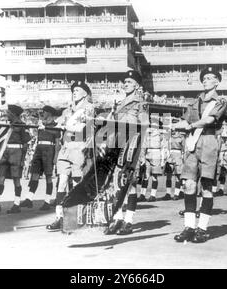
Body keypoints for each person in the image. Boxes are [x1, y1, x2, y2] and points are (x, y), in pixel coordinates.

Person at [172, 66, 227, 243]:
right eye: (204, 78)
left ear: (217, 82)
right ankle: (189, 227)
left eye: (210, 77)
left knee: (206, 187)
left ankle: (202, 228)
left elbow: (210, 120)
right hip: (192, 144)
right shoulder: (195, 101)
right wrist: (178, 124)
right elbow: (185, 119)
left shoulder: (220, 101)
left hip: (209, 142)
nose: (206, 80)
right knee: (188, 185)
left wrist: (191, 126)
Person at [46, 81, 95, 231]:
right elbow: (56, 122)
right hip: (66, 148)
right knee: (61, 182)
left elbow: (80, 127)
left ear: (85, 93)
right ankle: (59, 217)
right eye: (73, 90)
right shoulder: (68, 110)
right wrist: (47, 124)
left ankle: (75, 217)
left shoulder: (88, 108)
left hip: (79, 148)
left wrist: (64, 125)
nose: (75, 92)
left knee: (76, 183)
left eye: (78, 90)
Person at [104, 70, 148, 236]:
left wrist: (141, 151)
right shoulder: (119, 103)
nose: (125, 84)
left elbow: (144, 125)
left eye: (129, 82)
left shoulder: (140, 102)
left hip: (132, 144)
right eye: (125, 82)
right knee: (116, 182)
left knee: (130, 183)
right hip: (118, 144)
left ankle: (129, 221)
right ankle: (118, 218)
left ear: (137, 85)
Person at [0, 105, 31, 214]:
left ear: (14, 114)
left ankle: (16, 204)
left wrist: (22, 159)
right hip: (5, 153)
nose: (7, 114)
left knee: (16, 179)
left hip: (16, 153)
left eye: (9, 112)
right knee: (0, 177)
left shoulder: (22, 125)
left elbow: (25, 144)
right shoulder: (7, 125)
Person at [21, 106, 61, 211]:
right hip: (39, 149)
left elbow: (57, 143)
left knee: (48, 176)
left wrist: (56, 156)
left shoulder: (56, 126)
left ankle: (47, 201)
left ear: (50, 113)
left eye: (45, 111)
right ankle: (29, 199)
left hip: (49, 150)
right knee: (34, 174)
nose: (43, 113)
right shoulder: (41, 124)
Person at [140, 115, 164, 202]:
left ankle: (153, 195)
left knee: (154, 176)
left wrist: (163, 160)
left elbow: (164, 148)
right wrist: (142, 157)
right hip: (147, 155)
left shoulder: (160, 136)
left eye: (154, 126)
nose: (151, 127)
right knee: (145, 176)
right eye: (150, 125)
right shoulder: (147, 134)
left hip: (156, 155)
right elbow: (143, 146)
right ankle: (142, 195)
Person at [165, 122, 185, 201]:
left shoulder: (181, 137)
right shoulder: (168, 137)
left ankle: (176, 194)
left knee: (178, 176)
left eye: (173, 126)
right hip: (170, 156)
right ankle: (168, 193)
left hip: (178, 156)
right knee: (168, 175)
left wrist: (183, 159)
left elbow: (184, 149)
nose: (172, 129)